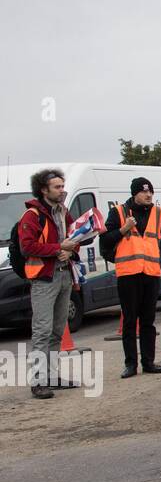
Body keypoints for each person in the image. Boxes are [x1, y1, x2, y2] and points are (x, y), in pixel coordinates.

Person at [100, 177, 161, 378]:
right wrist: (123, 229)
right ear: (134, 193)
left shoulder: (159, 213)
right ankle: (130, 364)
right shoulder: (118, 212)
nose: (148, 195)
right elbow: (106, 240)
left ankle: (149, 362)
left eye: (151, 192)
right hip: (128, 273)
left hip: (151, 273)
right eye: (144, 192)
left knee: (148, 321)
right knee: (129, 321)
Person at [17, 169, 83, 399]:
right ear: (43, 189)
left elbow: (74, 238)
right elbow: (27, 246)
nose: (62, 190)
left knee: (57, 330)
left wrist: (71, 251)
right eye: (57, 187)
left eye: (63, 186)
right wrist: (59, 249)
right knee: (42, 331)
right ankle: (38, 382)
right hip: (44, 279)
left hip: (64, 275)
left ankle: (51, 377)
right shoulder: (32, 215)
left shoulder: (63, 212)